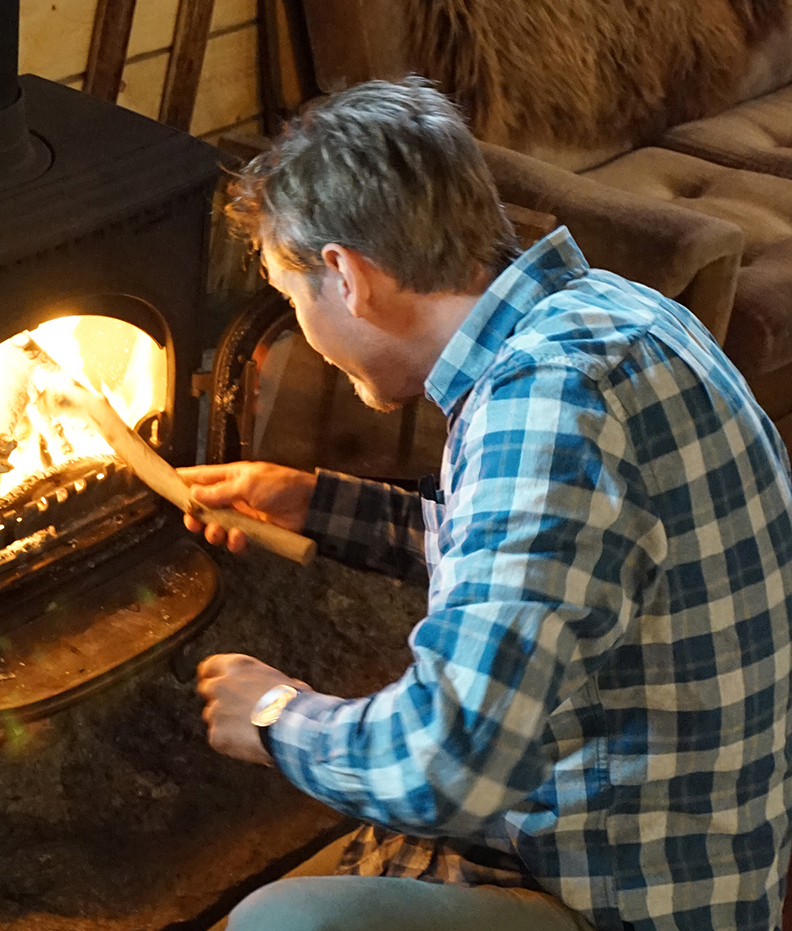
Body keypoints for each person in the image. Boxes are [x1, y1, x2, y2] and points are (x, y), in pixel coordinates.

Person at [182, 77, 792, 931]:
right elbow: (546, 562)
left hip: (630, 896)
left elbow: (446, 760)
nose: (307, 333)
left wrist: (279, 715)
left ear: (347, 277)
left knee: (279, 923)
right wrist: (316, 502)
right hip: (698, 836)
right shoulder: (611, 316)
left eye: (294, 301)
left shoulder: (542, 404)